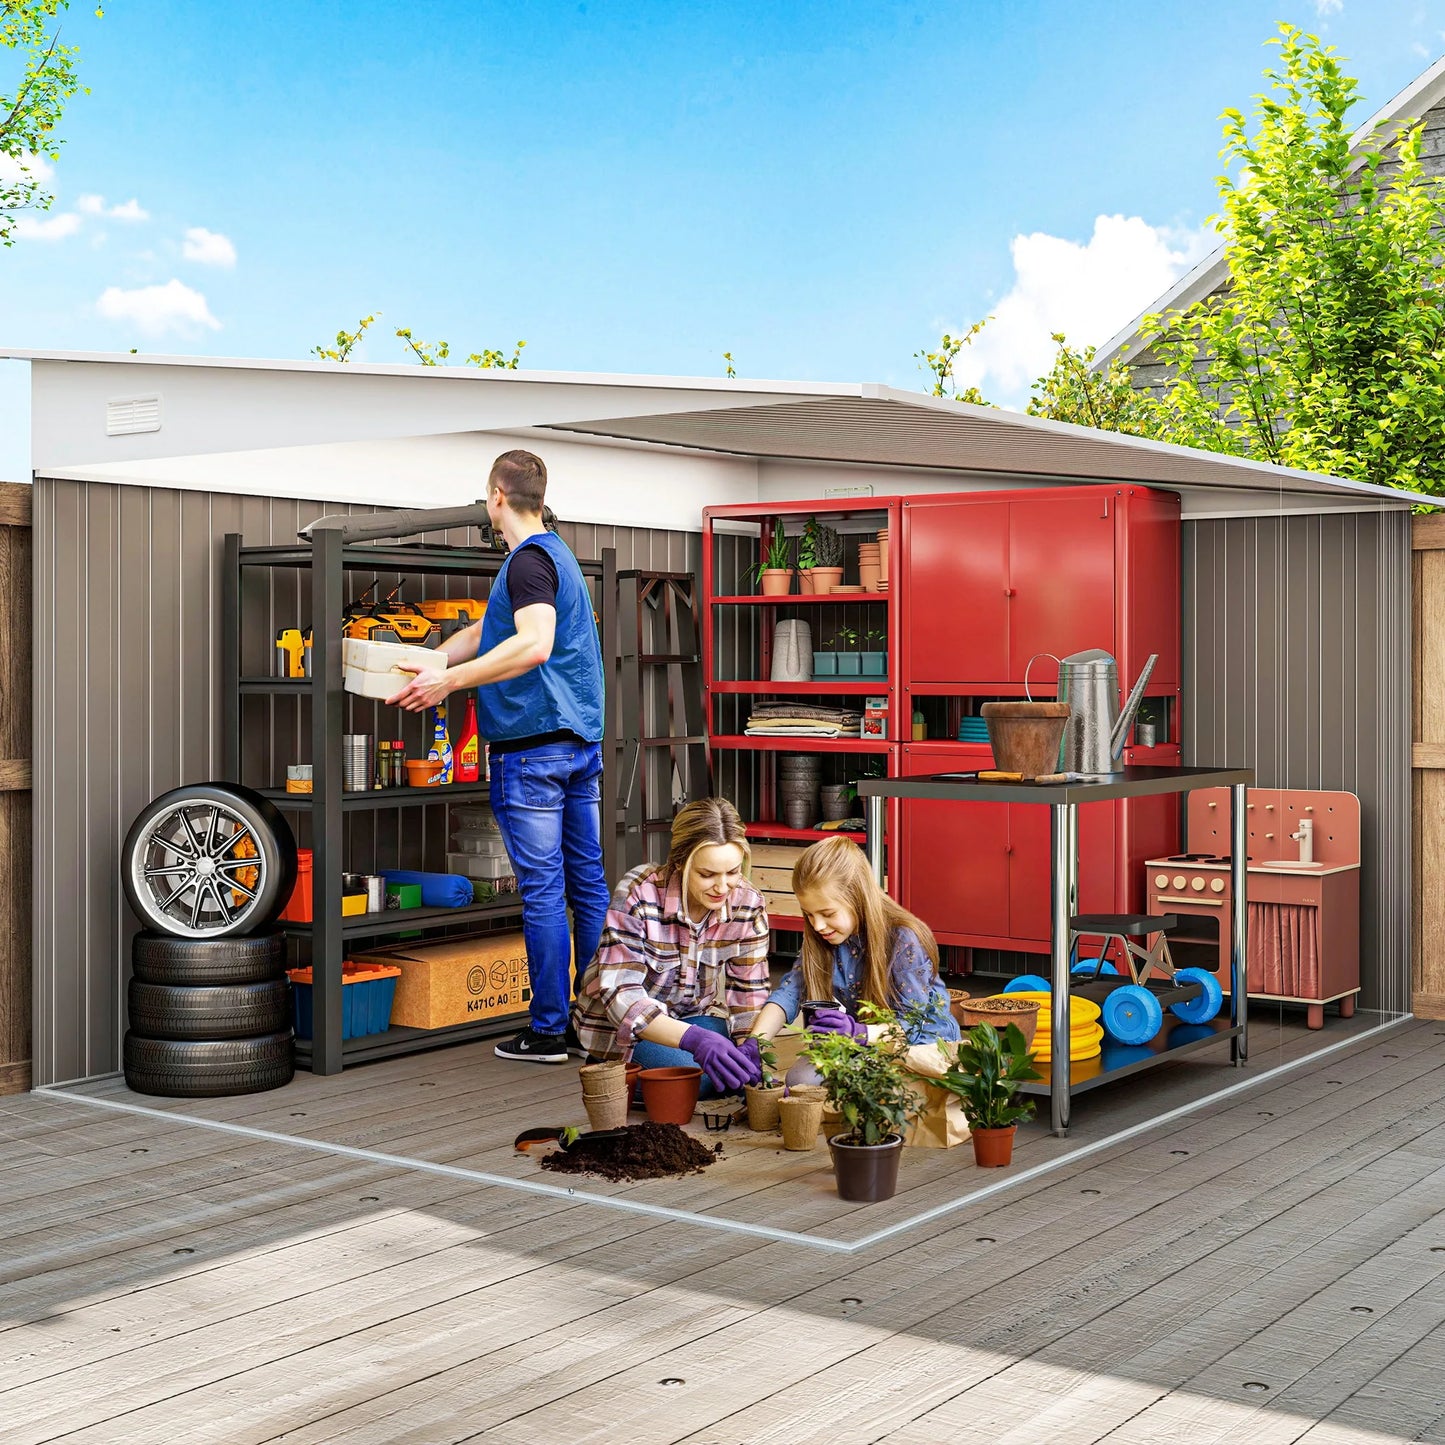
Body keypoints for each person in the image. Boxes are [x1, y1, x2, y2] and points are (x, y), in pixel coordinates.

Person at [388, 449, 609, 1064]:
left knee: (543, 891)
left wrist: (448, 685)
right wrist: (437, 657)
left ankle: (549, 1031)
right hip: (579, 746)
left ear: (494, 498)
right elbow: (493, 631)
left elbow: (533, 645)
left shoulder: (526, 563)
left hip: (533, 751)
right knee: (586, 883)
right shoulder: (556, 556)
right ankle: (600, 1018)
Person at [572, 798, 770, 1095]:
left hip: (694, 1018)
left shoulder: (747, 903)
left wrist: (751, 1044)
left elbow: (749, 993)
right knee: (703, 1081)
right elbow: (621, 995)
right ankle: (614, 1073)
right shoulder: (639, 893)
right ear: (679, 861)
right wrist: (696, 1041)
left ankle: (650, 1078)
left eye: (733, 871)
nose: (722, 887)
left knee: (735, 1071)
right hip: (627, 1030)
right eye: (707, 874)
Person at [750, 836, 960, 1046]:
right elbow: (789, 993)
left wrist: (858, 1032)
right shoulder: (824, 936)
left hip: (923, 1044)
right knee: (801, 1075)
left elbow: (912, 1025)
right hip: (866, 1041)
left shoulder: (903, 938)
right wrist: (754, 1043)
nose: (818, 925)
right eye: (809, 915)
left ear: (857, 898)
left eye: (828, 913)